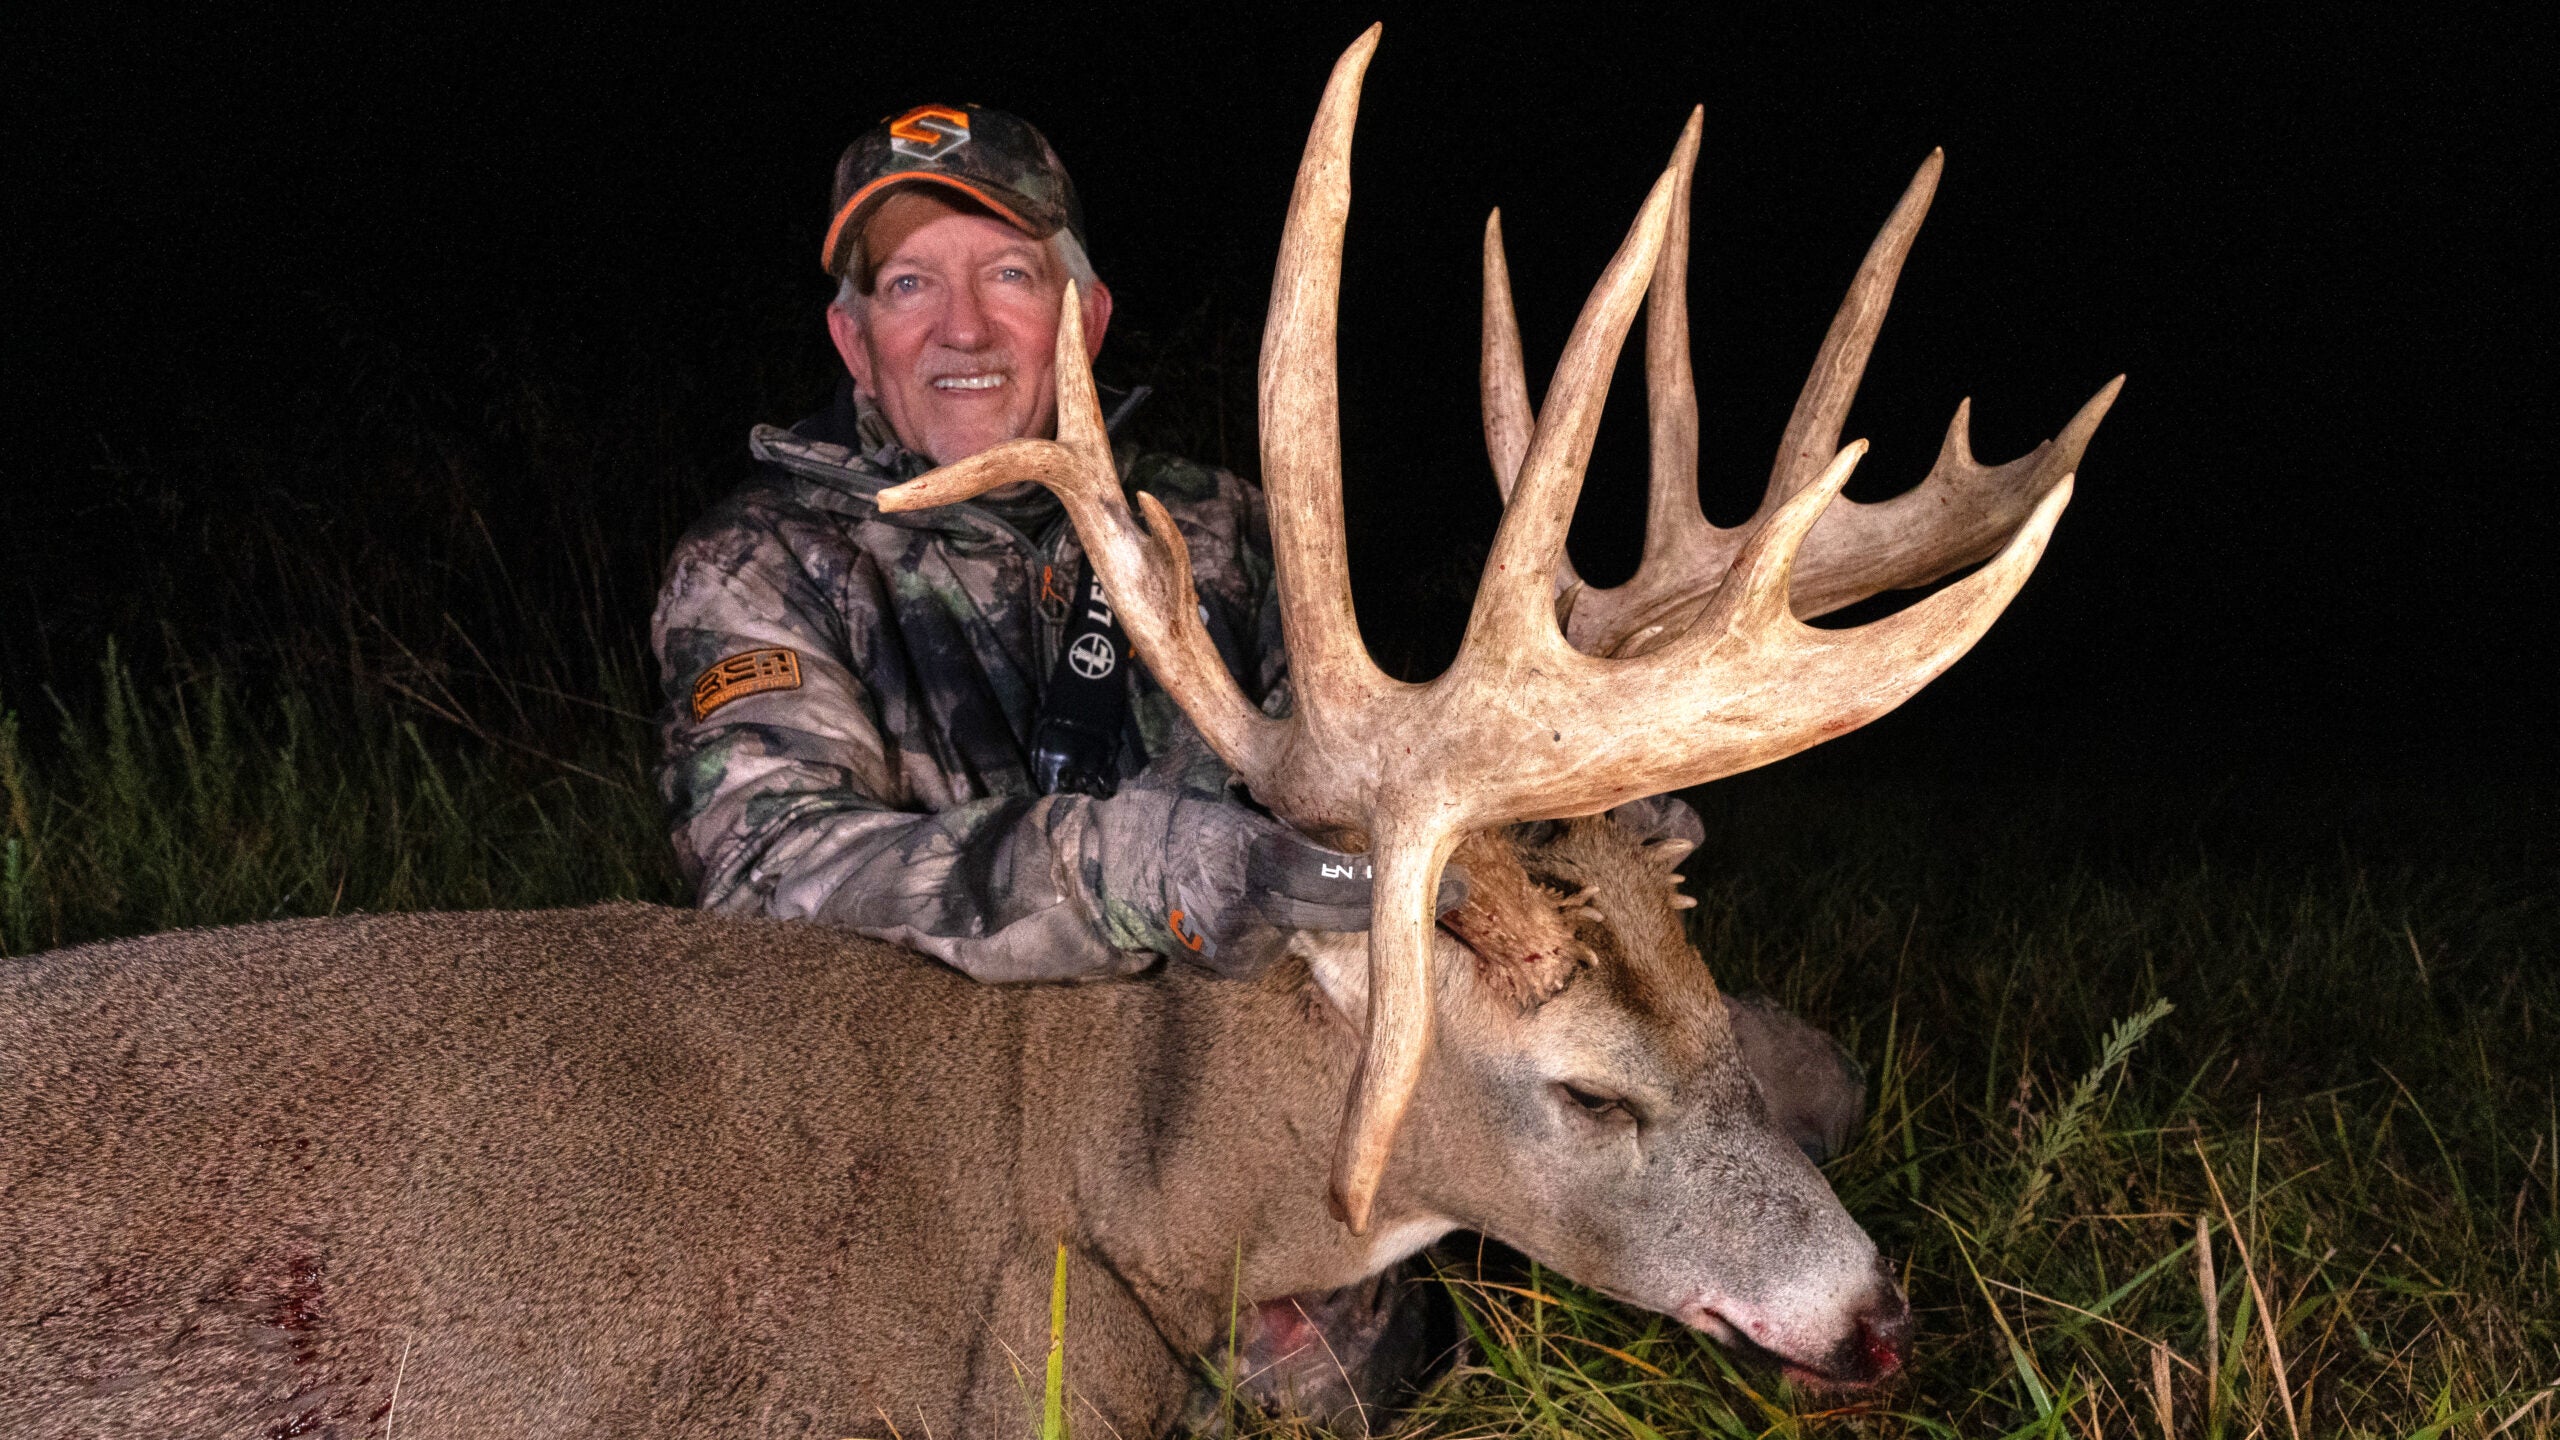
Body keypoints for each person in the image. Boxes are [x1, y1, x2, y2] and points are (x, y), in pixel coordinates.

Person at [650, 101, 1862, 1429]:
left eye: (1009, 275)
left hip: (1221, 1089)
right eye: (908, 285)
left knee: (1354, 1332)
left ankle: (1695, 1148)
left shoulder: (1214, 526)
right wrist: (1127, 869)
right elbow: (763, 886)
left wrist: (1570, 806)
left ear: (1083, 316)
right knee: (1179, 1370)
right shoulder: (763, 565)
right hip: (927, 1133)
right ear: (853, 338)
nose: (961, 325)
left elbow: (1375, 787)